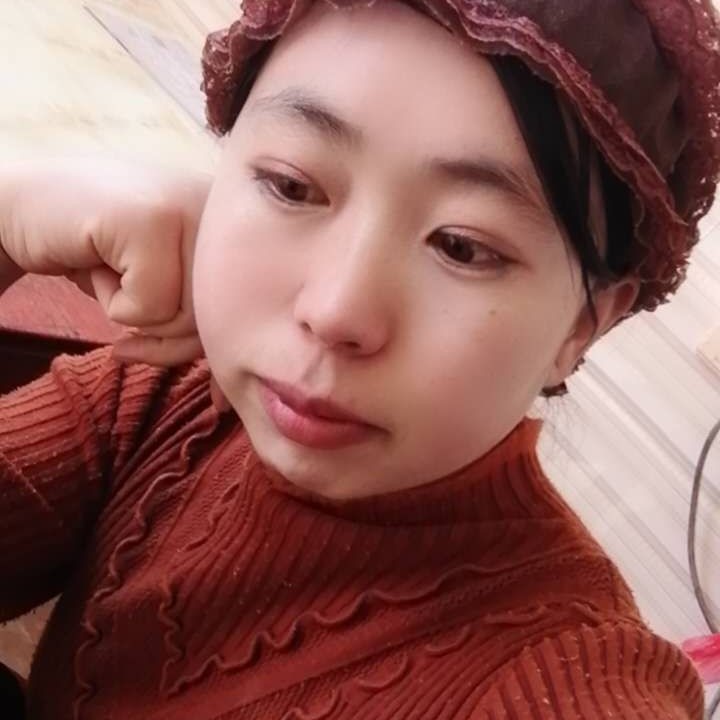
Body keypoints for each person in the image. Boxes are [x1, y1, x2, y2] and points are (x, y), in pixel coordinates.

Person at [1, 0, 719, 717]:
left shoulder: (567, 681)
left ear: (583, 327)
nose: (335, 311)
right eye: (291, 186)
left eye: (463, 247)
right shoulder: (167, 394)